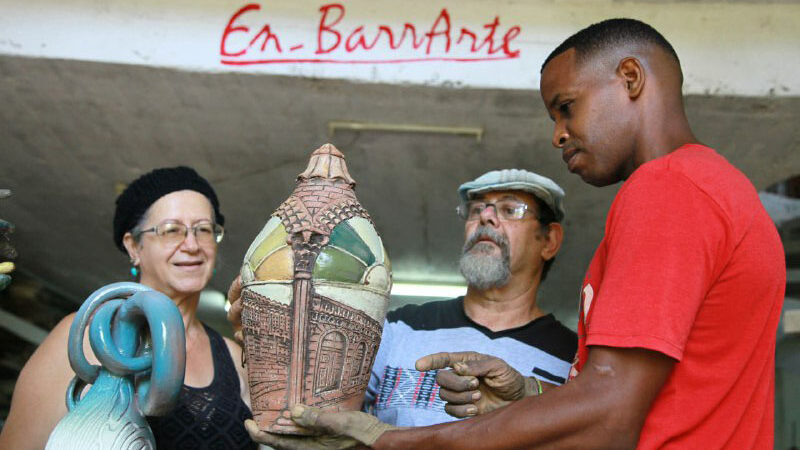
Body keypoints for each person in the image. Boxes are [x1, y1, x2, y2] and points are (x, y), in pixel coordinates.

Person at [244, 18, 785, 450]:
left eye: (566, 108)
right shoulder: (720, 189)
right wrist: (527, 396)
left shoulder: (668, 189)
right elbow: (657, 399)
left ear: (630, 78)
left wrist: (393, 440)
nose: (558, 135)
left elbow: (610, 417)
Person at [0, 166, 257, 450]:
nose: (192, 244)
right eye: (171, 230)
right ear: (133, 246)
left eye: (204, 229)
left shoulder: (236, 357)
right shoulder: (85, 336)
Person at [363, 169, 577, 426]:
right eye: (476, 210)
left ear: (549, 241)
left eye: (510, 210)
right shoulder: (398, 328)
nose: (486, 217)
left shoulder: (573, 358)